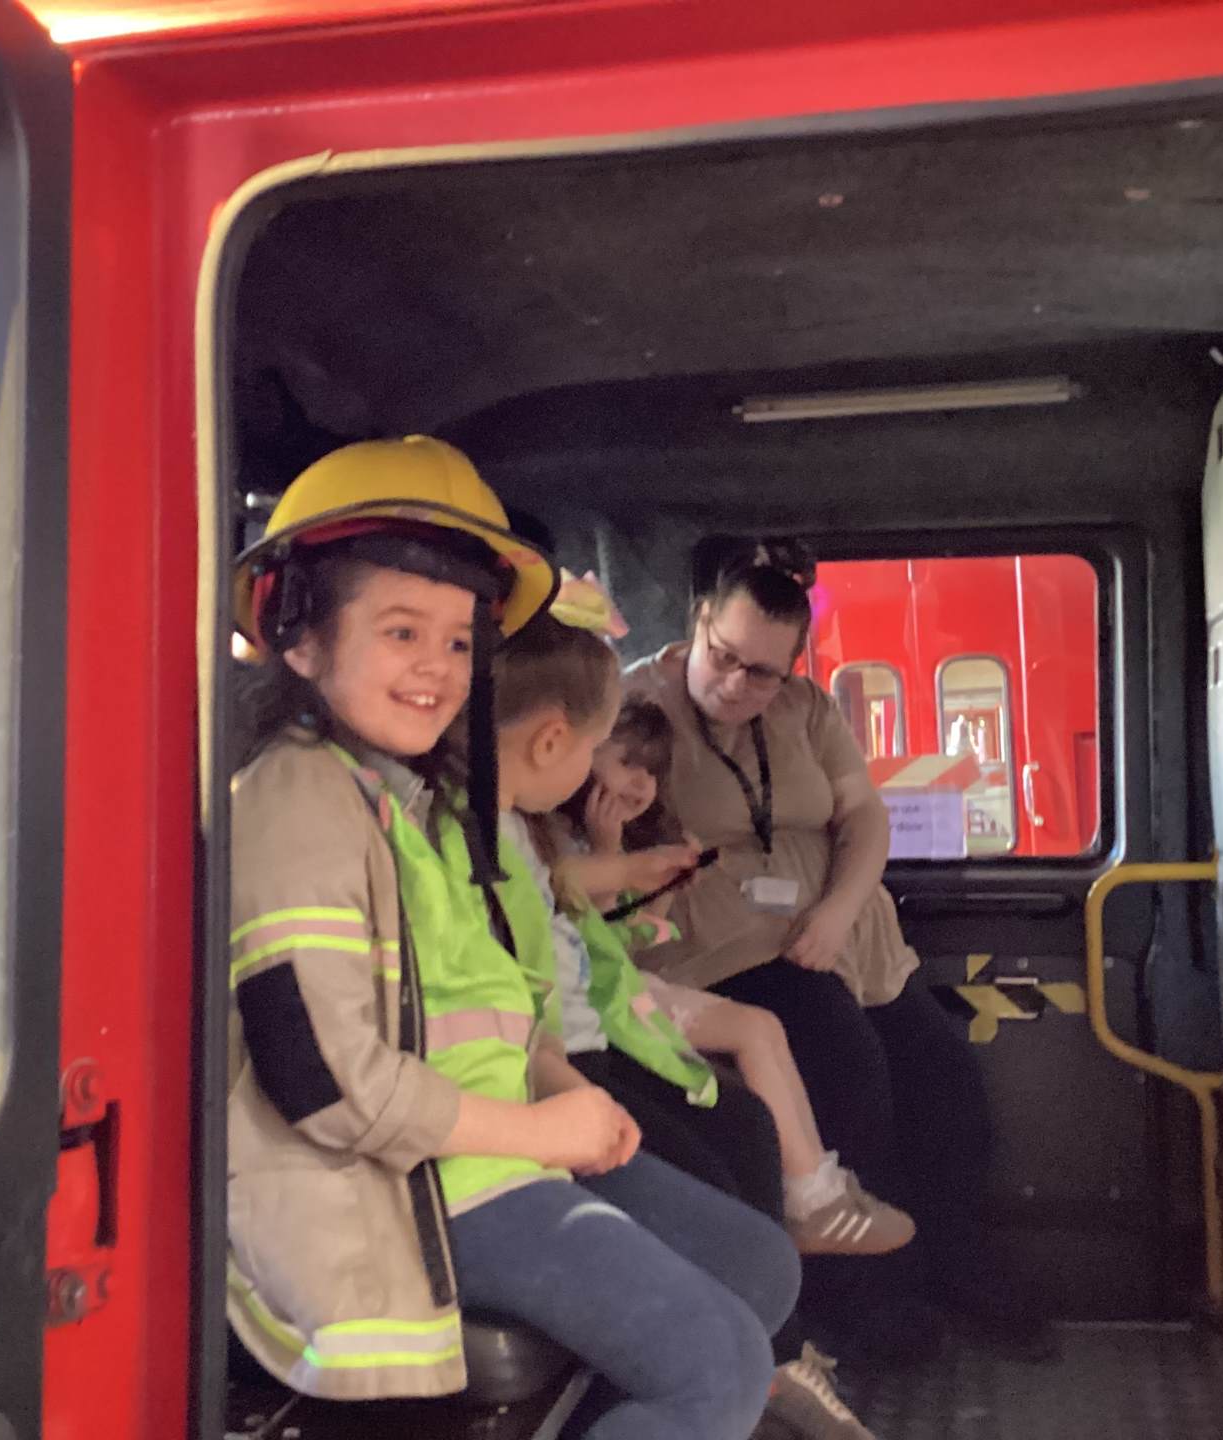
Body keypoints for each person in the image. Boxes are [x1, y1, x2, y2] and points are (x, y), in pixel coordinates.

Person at [223, 436, 799, 1440]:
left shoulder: (421, 803)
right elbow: (323, 1081)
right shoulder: (294, 803)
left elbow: (481, 1001)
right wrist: (539, 1134)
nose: (437, 668)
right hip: (402, 1186)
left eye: (458, 643)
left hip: (488, 1151)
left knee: (759, 1269)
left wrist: (561, 1087)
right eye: (401, 631)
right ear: (301, 636)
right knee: (720, 1369)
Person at [624, 541, 1053, 1364]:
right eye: (724, 657)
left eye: (763, 673)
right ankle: (857, 1301)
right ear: (699, 622)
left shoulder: (807, 711)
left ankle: (948, 1258)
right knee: (850, 1077)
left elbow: (863, 815)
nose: (736, 684)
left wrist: (838, 910)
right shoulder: (638, 707)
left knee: (947, 1089)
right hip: (727, 950)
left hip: (845, 940)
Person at [484, 604, 891, 1440]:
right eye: (601, 751)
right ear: (558, 742)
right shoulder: (489, 836)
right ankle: (756, 1365)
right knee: (725, 1198)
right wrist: (561, 1091)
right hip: (547, 1088)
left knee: (746, 1131)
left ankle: (779, 1338)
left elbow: (559, 958)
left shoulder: (520, 828)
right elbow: (530, 979)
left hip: (581, 1047)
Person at [566, 692, 916, 1258]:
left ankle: (820, 1184)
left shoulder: (636, 840)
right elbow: (596, 934)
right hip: (597, 994)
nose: (639, 783)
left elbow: (630, 939)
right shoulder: (565, 843)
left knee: (764, 1027)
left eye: (651, 772)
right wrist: (615, 858)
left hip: (622, 979)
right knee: (753, 1033)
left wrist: (661, 893)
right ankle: (811, 1199)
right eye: (625, 762)